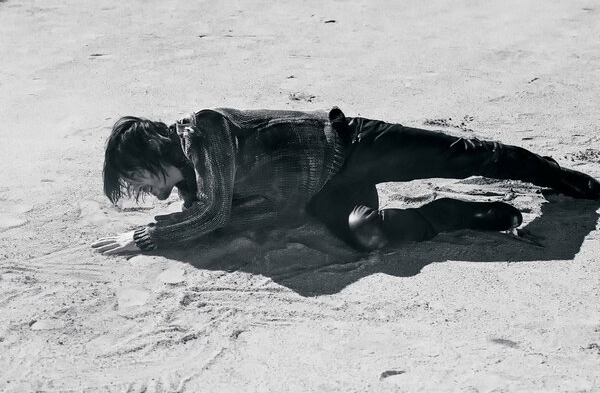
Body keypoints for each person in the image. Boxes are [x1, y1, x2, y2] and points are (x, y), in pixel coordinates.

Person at [92, 107, 600, 255]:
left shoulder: (206, 131)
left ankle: (564, 179)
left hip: (353, 144)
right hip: (325, 190)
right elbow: (207, 211)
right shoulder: (192, 183)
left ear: (150, 153)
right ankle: (453, 215)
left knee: (464, 156)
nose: (138, 188)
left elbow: (215, 215)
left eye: (134, 176)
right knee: (366, 238)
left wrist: (145, 238)